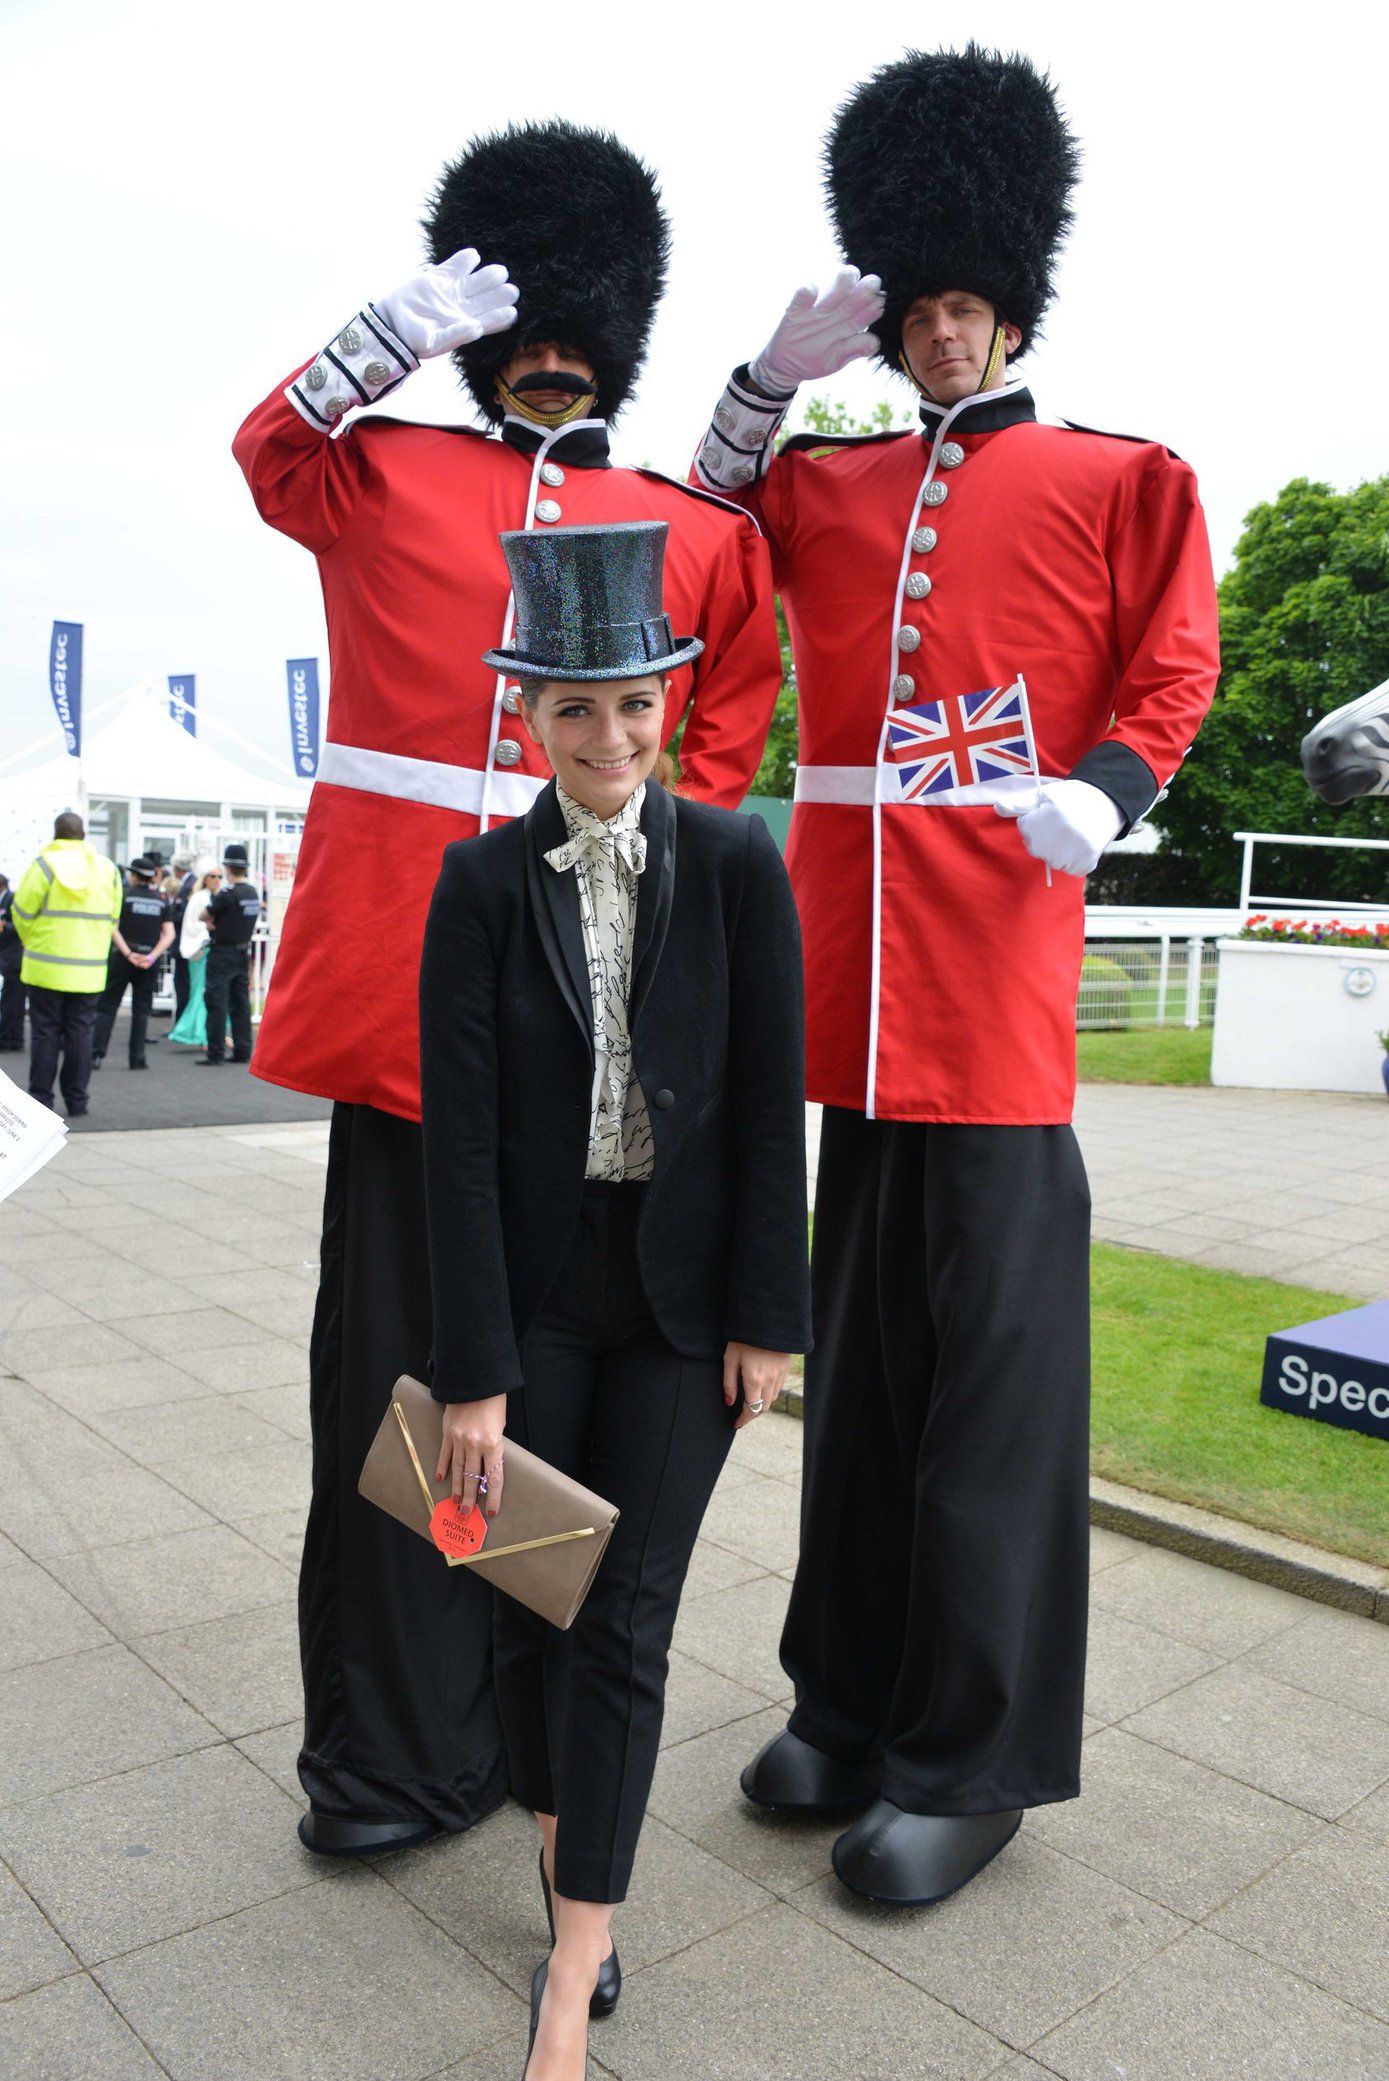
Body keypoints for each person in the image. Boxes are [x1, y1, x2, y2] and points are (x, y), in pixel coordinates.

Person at [693, 45, 1221, 1906]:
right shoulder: (827, 496)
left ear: (1010, 307)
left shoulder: (1114, 476)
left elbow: (1171, 666)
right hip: (854, 1018)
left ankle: (970, 1754)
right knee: (861, 1397)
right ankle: (841, 1696)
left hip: (993, 1024)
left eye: (958, 307)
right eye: (910, 310)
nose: (932, 336)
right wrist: (762, 388)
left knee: (989, 1412)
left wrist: (1105, 787)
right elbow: (699, 531)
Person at [232, 121, 783, 1856]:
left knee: (543, 1427)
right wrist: (382, 334)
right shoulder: (384, 468)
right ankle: (399, 1748)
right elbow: (267, 451)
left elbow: (713, 737)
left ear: (616, 329)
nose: (549, 345)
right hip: (404, 1028)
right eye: (520, 316)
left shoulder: (685, 528)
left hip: (590, 1053)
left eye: (575, 317)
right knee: (401, 1406)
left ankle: (526, 1738)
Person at [419, 521, 810, 2081]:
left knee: (625, 1620)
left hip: (680, 1298)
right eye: (573, 709)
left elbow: (773, 1093)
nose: (609, 735)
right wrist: (473, 1372)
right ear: (525, 718)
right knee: (523, 1594)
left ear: (669, 698)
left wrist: (770, 1316)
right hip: (532, 1296)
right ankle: (558, 1825)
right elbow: (457, 1142)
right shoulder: (473, 881)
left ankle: (578, 1954)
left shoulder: (733, 862)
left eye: (633, 700)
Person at [10, 812, 123, 1116]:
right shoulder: (108, 870)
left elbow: (20, 912)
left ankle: (41, 1101)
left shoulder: (43, 866)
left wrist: (34, 941)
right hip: (89, 971)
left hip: (45, 967)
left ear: (55, 834)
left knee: (45, 1033)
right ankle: (77, 1101)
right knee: (81, 1033)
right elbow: (113, 917)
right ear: (84, 834)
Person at [93, 857, 175, 1071]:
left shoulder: (124, 897)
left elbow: (112, 928)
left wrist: (129, 953)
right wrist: (151, 957)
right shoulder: (160, 900)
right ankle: (137, 1058)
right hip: (149, 961)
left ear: (135, 876)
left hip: (122, 958)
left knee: (108, 1006)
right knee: (141, 1010)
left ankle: (96, 1054)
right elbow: (169, 934)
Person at [198, 844, 261, 1065]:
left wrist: (212, 921)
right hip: (243, 952)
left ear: (228, 868)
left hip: (222, 953)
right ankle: (243, 1050)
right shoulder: (252, 893)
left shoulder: (227, 895)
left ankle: (215, 1053)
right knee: (241, 1004)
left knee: (216, 1003)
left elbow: (202, 914)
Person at [169, 865, 220, 1047]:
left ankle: (203, 1034)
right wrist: (207, 928)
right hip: (201, 951)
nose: (216, 879)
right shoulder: (199, 898)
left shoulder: (214, 897)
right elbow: (191, 924)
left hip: (212, 951)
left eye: (219, 876)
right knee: (200, 992)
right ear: (205, 878)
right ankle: (199, 1033)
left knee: (207, 993)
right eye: (212, 875)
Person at [168, 851, 199, 1022]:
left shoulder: (189, 885)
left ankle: (182, 1021)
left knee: (183, 984)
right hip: (184, 942)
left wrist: (170, 913)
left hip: (184, 943)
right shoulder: (189, 884)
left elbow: (184, 915)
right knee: (182, 983)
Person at [0, 873, 26, 1052]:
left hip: (15, 957)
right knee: (11, 1000)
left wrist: (5, 926)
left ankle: (11, 1039)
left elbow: (20, 925)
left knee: (12, 1002)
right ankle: (12, 1038)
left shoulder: (12, 899)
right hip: (8, 956)